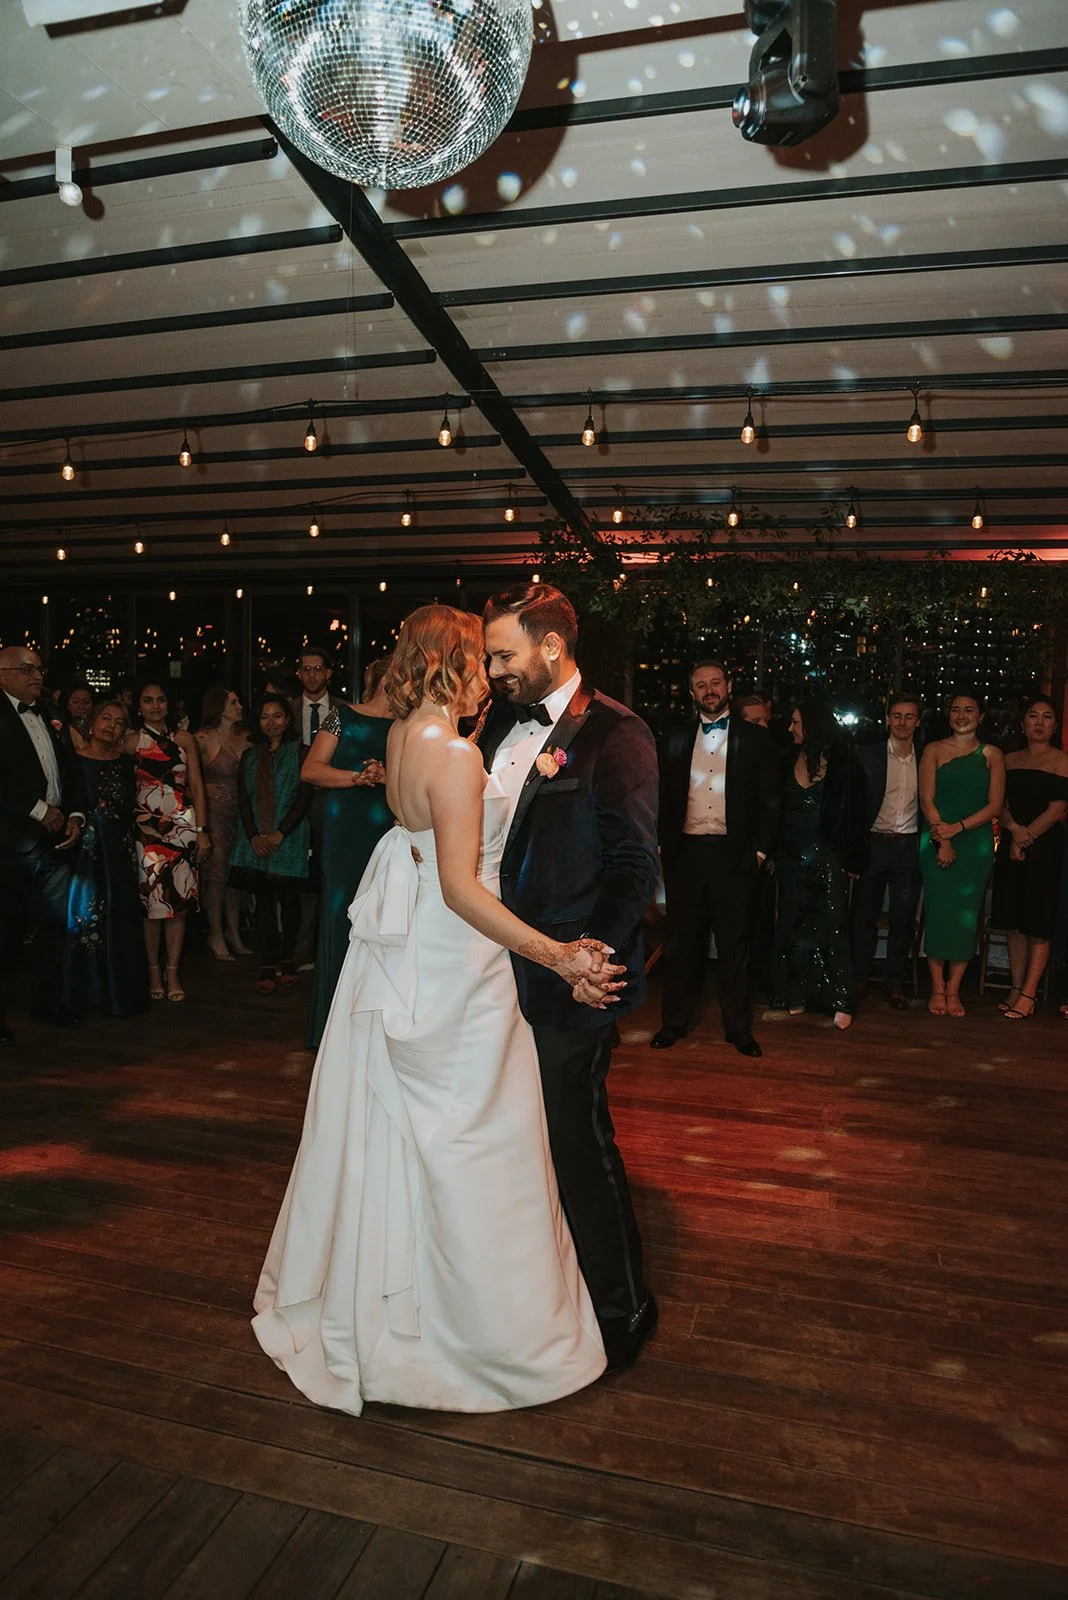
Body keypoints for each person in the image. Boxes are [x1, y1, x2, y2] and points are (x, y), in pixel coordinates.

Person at [253, 605, 616, 1415]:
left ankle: (399, 1303)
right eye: (479, 659)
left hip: (411, 949)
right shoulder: (451, 754)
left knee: (414, 1132)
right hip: (457, 959)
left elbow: (415, 856)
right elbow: (459, 889)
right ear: (455, 662)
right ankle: (483, 1335)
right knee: (478, 1139)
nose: (490, 672)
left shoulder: (401, 736)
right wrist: (556, 955)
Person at [480, 582, 660, 1370]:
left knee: (577, 1143)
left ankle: (623, 1310)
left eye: (504, 654)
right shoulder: (493, 725)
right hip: (488, 974)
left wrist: (594, 957)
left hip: (569, 979)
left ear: (552, 646)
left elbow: (633, 864)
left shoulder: (616, 733)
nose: (492, 670)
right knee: (511, 1143)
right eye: (489, 656)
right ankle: (534, 1292)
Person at [652, 659, 779, 1057]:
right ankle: (674, 1023)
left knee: (733, 946)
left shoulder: (754, 739)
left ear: (728, 686)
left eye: (715, 683)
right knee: (682, 943)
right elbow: (658, 796)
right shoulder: (672, 739)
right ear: (692, 693)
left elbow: (771, 800)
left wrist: (759, 851)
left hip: (733, 855)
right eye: (700, 685)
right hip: (685, 854)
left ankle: (739, 1030)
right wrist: (659, 844)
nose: (709, 690)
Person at [302, 657, 393, 1049]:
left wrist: (392, 773)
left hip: (388, 827)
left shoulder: (408, 726)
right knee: (343, 916)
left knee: (384, 918)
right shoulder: (342, 716)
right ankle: (332, 1028)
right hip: (346, 827)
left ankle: (374, 1027)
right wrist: (356, 777)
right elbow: (311, 770)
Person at [0, 646, 86, 1042]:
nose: (37, 675)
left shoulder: (52, 711)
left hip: (56, 839)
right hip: (12, 842)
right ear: (3, 674)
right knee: (8, 930)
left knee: (54, 926)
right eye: (26, 669)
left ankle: (48, 1002)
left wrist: (74, 814)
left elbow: (70, 768)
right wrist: (39, 810)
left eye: (39, 669)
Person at [770, 701, 869, 1029]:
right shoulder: (785, 760)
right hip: (789, 855)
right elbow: (775, 810)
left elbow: (857, 813)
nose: (790, 728)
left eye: (796, 722)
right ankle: (795, 992)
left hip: (830, 856)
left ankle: (841, 998)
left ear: (813, 725)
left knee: (832, 922)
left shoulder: (845, 763)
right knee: (793, 920)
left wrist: (854, 856)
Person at [919, 692, 1006, 1017]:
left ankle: (954, 989)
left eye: (969, 710)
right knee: (939, 912)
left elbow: (995, 805)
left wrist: (958, 829)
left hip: (975, 843)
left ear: (981, 717)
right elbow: (927, 799)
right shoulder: (933, 750)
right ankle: (936, 987)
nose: (961, 715)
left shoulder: (992, 754)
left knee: (966, 917)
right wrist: (943, 837)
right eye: (955, 710)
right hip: (936, 836)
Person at [126, 681, 210, 1003]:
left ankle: (172, 970)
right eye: (148, 700)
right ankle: (152, 971)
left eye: (160, 700)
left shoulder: (185, 739)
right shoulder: (131, 740)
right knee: (151, 905)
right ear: (139, 706)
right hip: (144, 829)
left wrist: (202, 830)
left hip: (182, 827)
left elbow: (198, 788)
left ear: (170, 704)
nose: (155, 706)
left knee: (178, 905)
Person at [66, 701, 150, 1017]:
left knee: (121, 916)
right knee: (87, 918)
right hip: (87, 852)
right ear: (91, 722)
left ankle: (121, 994)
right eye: (105, 718)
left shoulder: (127, 763)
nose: (110, 725)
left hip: (120, 848)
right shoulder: (73, 761)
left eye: (118, 722)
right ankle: (88, 994)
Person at [989, 695, 1068, 1019]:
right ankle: (1016, 985)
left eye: (1046, 717)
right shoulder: (1008, 759)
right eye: (1033, 716)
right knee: (1013, 922)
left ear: (1055, 725)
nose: (1039, 722)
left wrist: (1025, 837)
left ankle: (1030, 992)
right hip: (1011, 842)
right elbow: (1000, 803)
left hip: (1046, 849)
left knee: (1038, 922)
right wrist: (1013, 831)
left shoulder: (1063, 761)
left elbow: (1057, 809)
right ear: (1023, 724)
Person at [229, 696, 313, 994]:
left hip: (289, 837)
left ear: (287, 720)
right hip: (254, 839)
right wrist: (254, 836)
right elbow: (243, 800)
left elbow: (304, 798)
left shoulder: (302, 753)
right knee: (263, 905)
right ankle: (267, 963)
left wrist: (279, 834)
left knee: (290, 904)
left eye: (277, 716)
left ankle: (287, 958)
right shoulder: (250, 757)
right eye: (265, 717)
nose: (271, 722)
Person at [851, 692, 924, 1009]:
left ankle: (894, 982)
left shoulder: (927, 758)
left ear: (918, 721)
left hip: (908, 845)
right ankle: (859, 977)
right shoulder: (867, 754)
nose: (903, 722)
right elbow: (852, 806)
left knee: (902, 919)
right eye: (897, 715)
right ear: (887, 719)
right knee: (863, 916)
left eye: (909, 716)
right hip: (874, 843)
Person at [290, 646, 340, 967]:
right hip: (293, 804)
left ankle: (330, 950)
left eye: (317, 669)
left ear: (328, 673)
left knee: (330, 873)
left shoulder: (346, 710)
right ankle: (299, 950)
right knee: (299, 880)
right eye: (306, 669)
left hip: (334, 801)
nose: (312, 675)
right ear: (298, 674)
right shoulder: (285, 711)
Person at [195, 685, 251, 961]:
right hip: (215, 814)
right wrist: (205, 787)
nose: (239, 706)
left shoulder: (246, 738)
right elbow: (186, 777)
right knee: (216, 876)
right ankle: (215, 934)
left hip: (241, 814)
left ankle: (234, 932)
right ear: (219, 707)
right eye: (233, 702)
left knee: (236, 875)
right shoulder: (203, 738)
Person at [61, 680, 95, 749]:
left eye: (86, 702)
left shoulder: (98, 728)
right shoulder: (60, 727)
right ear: (67, 704)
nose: (81, 706)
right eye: (75, 702)